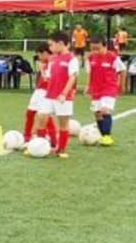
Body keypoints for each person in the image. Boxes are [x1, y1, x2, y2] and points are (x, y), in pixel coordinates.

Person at [34, 31, 79, 159]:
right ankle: (40, 146)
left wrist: (64, 93)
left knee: (63, 123)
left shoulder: (71, 59)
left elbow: (72, 77)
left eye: (51, 45)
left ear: (60, 44)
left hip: (63, 97)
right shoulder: (53, 59)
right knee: (42, 117)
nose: (50, 48)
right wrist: (42, 69)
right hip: (49, 95)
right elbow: (48, 78)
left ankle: (61, 149)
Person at [85, 36, 126, 146]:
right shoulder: (90, 58)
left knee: (105, 110)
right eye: (93, 48)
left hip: (109, 88)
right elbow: (90, 73)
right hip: (96, 89)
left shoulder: (112, 57)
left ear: (105, 46)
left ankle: (107, 136)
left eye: (98, 48)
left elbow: (122, 71)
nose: (95, 51)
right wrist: (88, 86)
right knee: (97, 114)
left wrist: (121, 86)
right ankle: (103, 136)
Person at [24, 44, 57, 147]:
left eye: (39, 55)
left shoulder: (53, 63)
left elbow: (49, 79)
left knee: (44, 116)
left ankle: (52, 140)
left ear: (45, 53)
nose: (39, 57)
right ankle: (27, 136)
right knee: (30, 113)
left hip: (46, 92)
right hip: (39, 91)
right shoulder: (45, 63)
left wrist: (41, 70)